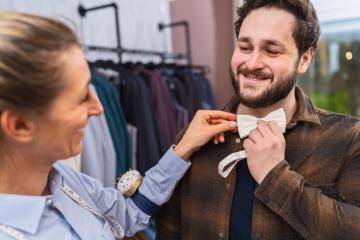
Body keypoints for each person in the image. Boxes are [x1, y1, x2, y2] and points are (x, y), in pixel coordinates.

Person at [0, 12, 238, 240]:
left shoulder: (63, 179)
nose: (99, 108)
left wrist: (183, 148)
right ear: (20, 125)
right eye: (83, 97)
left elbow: (124, 216)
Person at [156, 0, 360, 239]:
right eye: (244, 47)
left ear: (305, 59)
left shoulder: (348, 139)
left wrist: (276, 177)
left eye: (272, 51)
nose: (252, 64)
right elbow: (168, 231)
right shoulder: (193, 137)